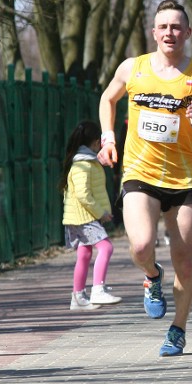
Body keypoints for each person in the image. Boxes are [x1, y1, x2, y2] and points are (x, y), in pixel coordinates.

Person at [98, 0, 192, 357]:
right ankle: (153, 277)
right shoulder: (132, 68)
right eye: (163, 27)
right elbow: (108, 99)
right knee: (140, 245)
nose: (170, 33)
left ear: (187, 33)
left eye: (177, 27)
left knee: (185, 261)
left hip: (184, 179)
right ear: (154, 33)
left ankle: (178, 330)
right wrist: (108, 139)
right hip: (140, 173)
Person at [59, 120, 122, 311]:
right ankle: (98, 289)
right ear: (95, 143)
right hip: (83, 216)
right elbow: (83, 195)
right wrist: (100, 212)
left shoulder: (87, 162)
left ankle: (78, 297)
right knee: (106, 247)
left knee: (84, 254)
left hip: (81, 216)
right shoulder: (82, 165)